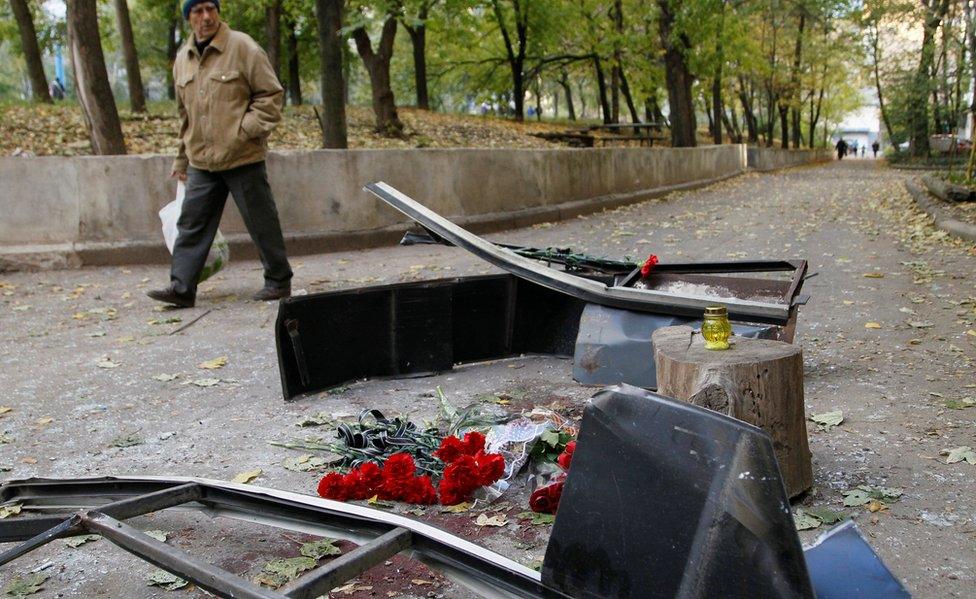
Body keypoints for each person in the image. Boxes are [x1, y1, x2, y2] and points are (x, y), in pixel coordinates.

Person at [147, 0, 292, 308]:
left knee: (261, 220)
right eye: (197, 10)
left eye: (210, 8)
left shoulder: (243, 47)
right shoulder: (183, 59)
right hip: (201, 160)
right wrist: (181, 159)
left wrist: (244, 132)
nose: (206, 16)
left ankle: (278, 281)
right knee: (191, 224)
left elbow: (271, 95)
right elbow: (185, 115)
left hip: (242, 156)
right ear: (188, 17)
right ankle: (182, 288)